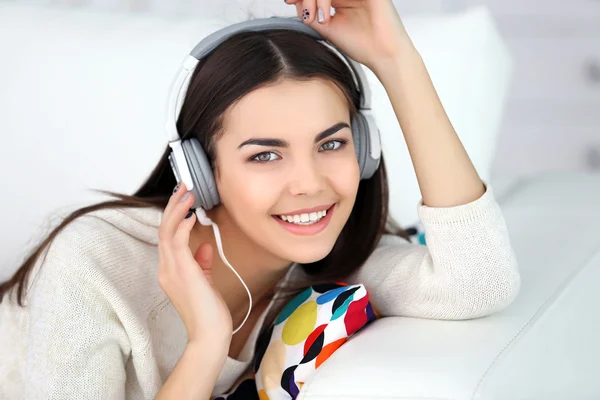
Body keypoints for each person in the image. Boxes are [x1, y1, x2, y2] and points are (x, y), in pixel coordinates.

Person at [0, 1, 521, 399]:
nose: (309, 184)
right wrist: (207, 345)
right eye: (265, 156)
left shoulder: (337, 257)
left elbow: (478, 282)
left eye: (332, 144)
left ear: (364, 150)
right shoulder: (95, 261)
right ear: (200, 172)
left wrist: (396, 58)